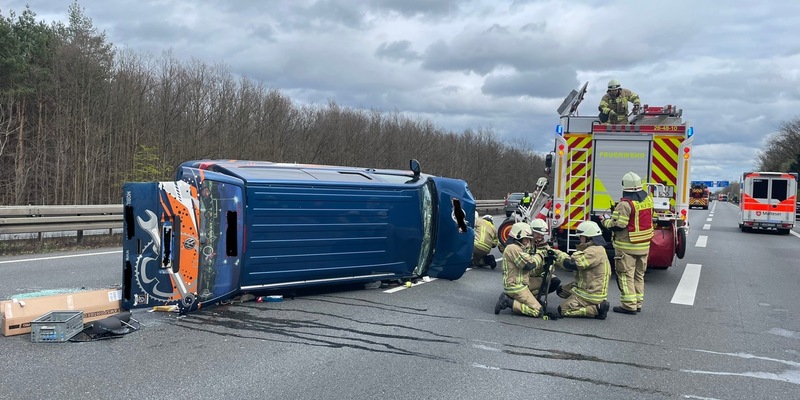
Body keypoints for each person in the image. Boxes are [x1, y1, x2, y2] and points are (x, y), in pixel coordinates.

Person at [601, 172, 654, 315]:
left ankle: (629, 305)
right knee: (639, 275)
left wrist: (605, 221)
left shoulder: (625, 204)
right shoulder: (648, 200)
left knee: (625, 275)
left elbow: (619, 225)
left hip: (627, 246)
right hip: (644, 245)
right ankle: (638, 303)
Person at [494, 222, 556, 318]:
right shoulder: (513, 248)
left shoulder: (520, 247)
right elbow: (529, 265)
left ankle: (529, 299)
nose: (528, 241)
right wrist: (541, 255)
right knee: (538, 311)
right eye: (526, 238)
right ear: (519, 237)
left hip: (523, 282)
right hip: (516, 286)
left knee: (548, 281)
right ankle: (509, 302)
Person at [551, 221, 610, 319]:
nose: (579, 238)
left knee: (563, 310)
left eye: (581, 236)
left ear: (588, 237)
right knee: (561, 291)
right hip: (586, 286)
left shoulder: (594, 251)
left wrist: (557, 254)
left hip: (591, 293)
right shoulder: (592, 248)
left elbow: (571, 264)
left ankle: (596, 308)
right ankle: (581, 302)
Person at [529, 218, 561, 296]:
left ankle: (536, 295)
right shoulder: (526, 244)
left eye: (542, 234)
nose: (540, 236)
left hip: (539, 272)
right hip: (527, 274)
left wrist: (549, 268)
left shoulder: (544, 245)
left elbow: (551, 258)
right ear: (532, 232)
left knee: (555, 281)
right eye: (538, 234)